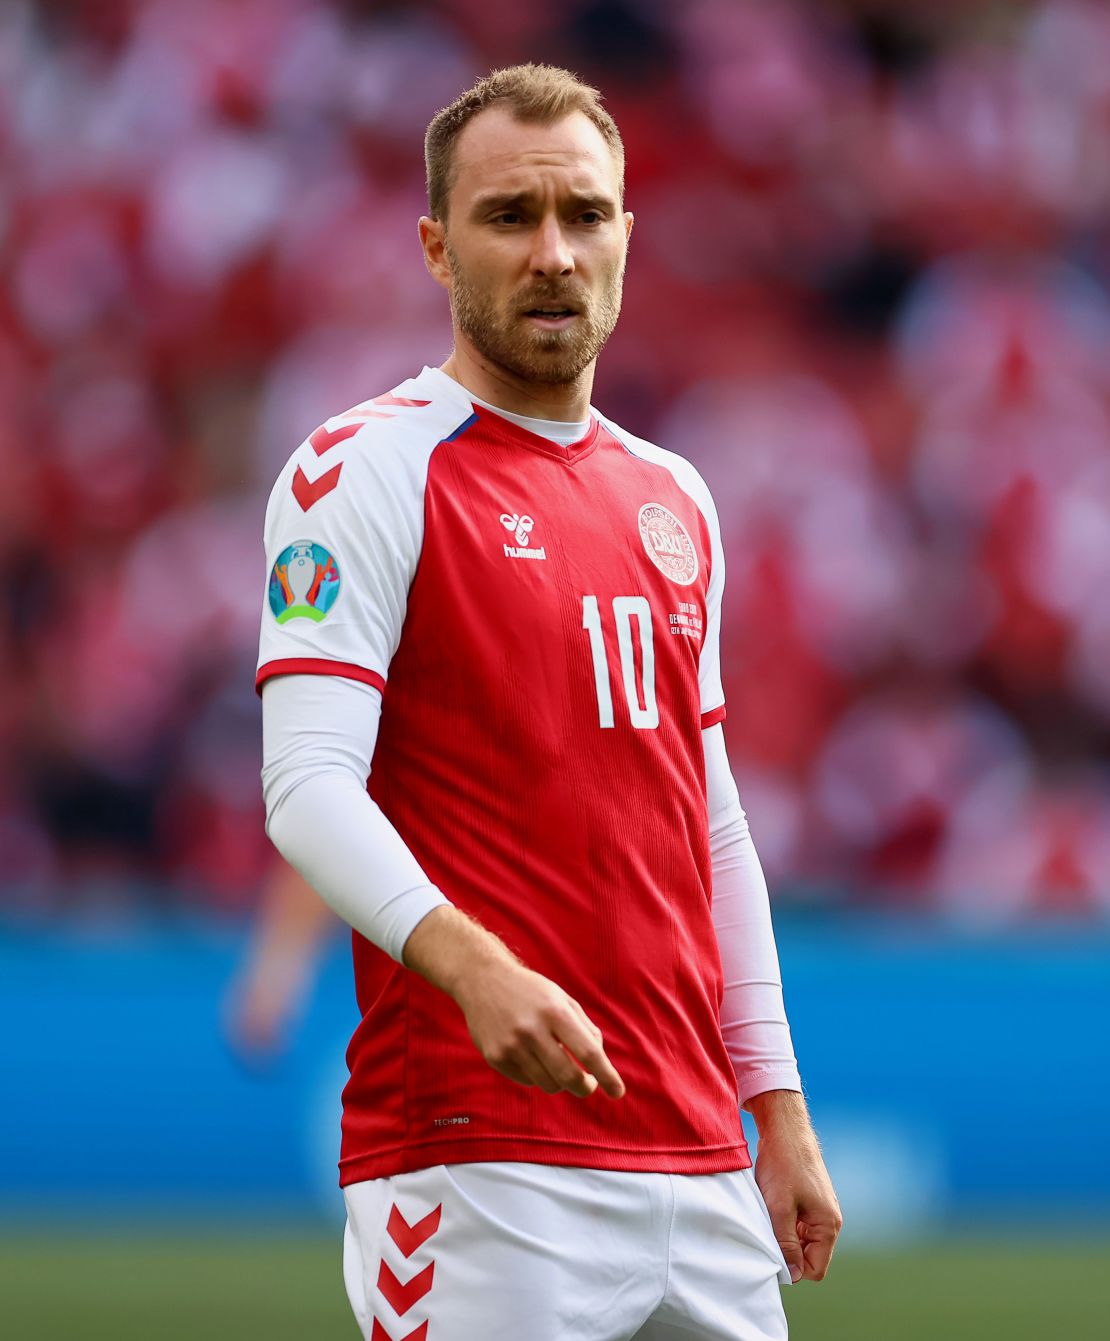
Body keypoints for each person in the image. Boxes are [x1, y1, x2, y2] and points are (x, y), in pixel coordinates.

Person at [257, 64, 841, 1341]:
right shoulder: (365, 470)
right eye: (509, 217)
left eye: (585, 214)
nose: (554, 252)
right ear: (435, 245)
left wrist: (776, 1106)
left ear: (629, 233)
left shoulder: (673, 495)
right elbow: (305, 787)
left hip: (694, 1151)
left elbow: (713, 831)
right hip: (478, 1153)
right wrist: (474, 969)